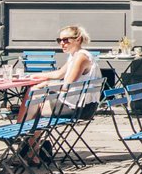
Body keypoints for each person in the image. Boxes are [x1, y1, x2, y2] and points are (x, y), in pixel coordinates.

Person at [16, 24, 102, 159]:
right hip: (81, 105)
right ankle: (30, 150)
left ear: (78, 39)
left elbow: (67, 85)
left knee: (34, 100)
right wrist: (38, 77)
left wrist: (44, 85)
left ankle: (20, 134)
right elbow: (59, 74)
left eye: (66, 40)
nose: (62, 43)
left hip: (78, 108)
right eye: (59, 40)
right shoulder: (75, 56)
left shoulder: (81, 57)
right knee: (34, 97)